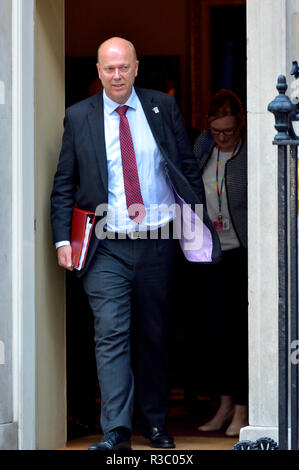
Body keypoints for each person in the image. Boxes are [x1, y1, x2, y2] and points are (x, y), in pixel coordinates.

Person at [51, 37, 221, 451]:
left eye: (124, 67)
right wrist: (61, 239)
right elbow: (64, 185)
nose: (117, 75)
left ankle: (156, 424)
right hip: (105, 245)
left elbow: (185, 167)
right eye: (109, 69)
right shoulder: (79, 117)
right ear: (98, 72)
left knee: (154, 335)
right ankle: (117, 432)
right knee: (110, 334)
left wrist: (192, 219)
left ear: (136, 68)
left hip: (156, 243)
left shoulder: (162, 107)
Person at [193, 89, 248, 437]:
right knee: (216, 333)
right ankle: (224, 404)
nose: (223, 137)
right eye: (217, 131)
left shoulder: (248, 153)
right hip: (210, 253)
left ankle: (242, 410)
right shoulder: (202, 148)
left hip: (242, 254)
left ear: (240, 125)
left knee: (239, 332)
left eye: (229, 130)